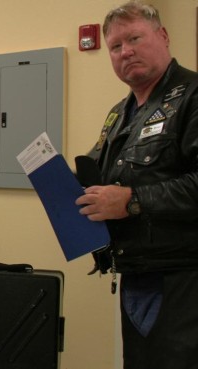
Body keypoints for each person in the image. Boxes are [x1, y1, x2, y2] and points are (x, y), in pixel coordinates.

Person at [75, 2, 198, 368]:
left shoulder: (192, 97)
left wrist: (131, 200)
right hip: (136, 274)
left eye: (135, 38)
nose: (126, 51)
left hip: (183, 280)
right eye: (115, 46)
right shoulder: (119, 113)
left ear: (162, 36)